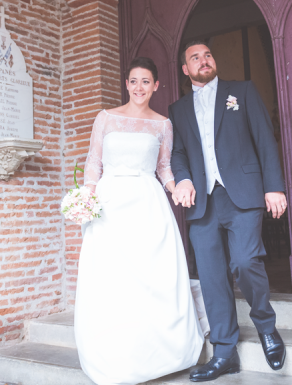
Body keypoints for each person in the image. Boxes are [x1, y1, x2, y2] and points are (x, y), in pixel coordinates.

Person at [74, 57, 204, 385]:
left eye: (146, 81)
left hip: (148, 203)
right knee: (114, 279)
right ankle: (116, 355)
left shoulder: (162, 124)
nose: (139, 88)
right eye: (133, 81)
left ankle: (161, 355)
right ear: (126, 84)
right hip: (110, 204)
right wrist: (87, 194)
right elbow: (94, 160)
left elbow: (163, 168)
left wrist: (178, 188)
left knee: (151, 277)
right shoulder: (105, 118)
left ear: (156, 85)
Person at [169, 41, 287, 382]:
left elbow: (264, 138)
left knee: (245, 262)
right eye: (195, 58)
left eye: (208, 54)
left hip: (243, 195)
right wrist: (184, 178)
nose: (204, 60)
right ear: (185, 69)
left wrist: (273, 186)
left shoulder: (242, 91)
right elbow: (177, 153)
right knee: (210, 276)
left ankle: (266, 326)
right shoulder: (177, 110)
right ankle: (224, 352)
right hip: (202, 203)